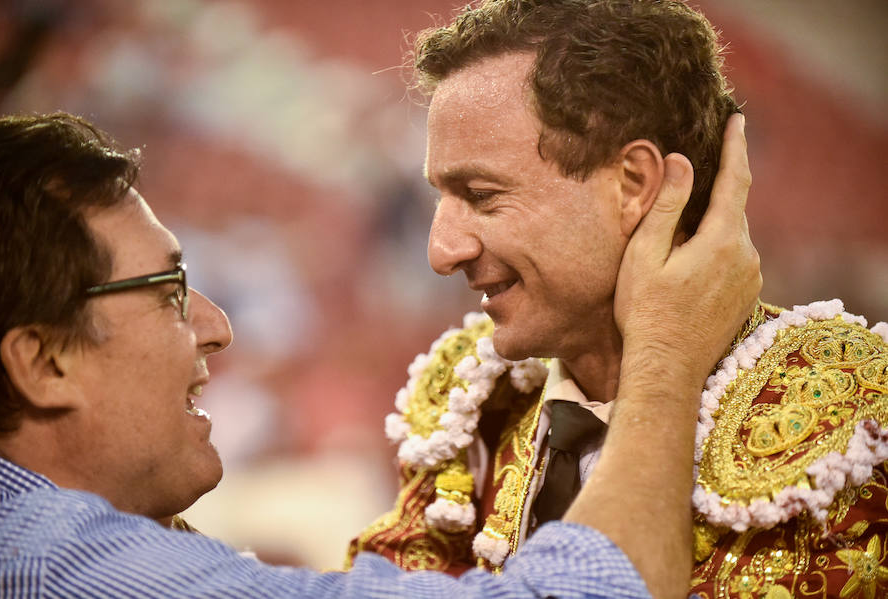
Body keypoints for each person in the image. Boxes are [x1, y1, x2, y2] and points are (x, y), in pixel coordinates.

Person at [0, 109, 756, 598]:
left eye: (485, 196)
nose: (217, 326)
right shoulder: (57, 562)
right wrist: (665, 353)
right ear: (44, 362)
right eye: (167, 290)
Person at [347, 1, 888, 598]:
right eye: (442, 198)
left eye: (482, 194)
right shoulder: (471, 408)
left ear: (633, 185)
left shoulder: (856, 417)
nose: (441, 252)